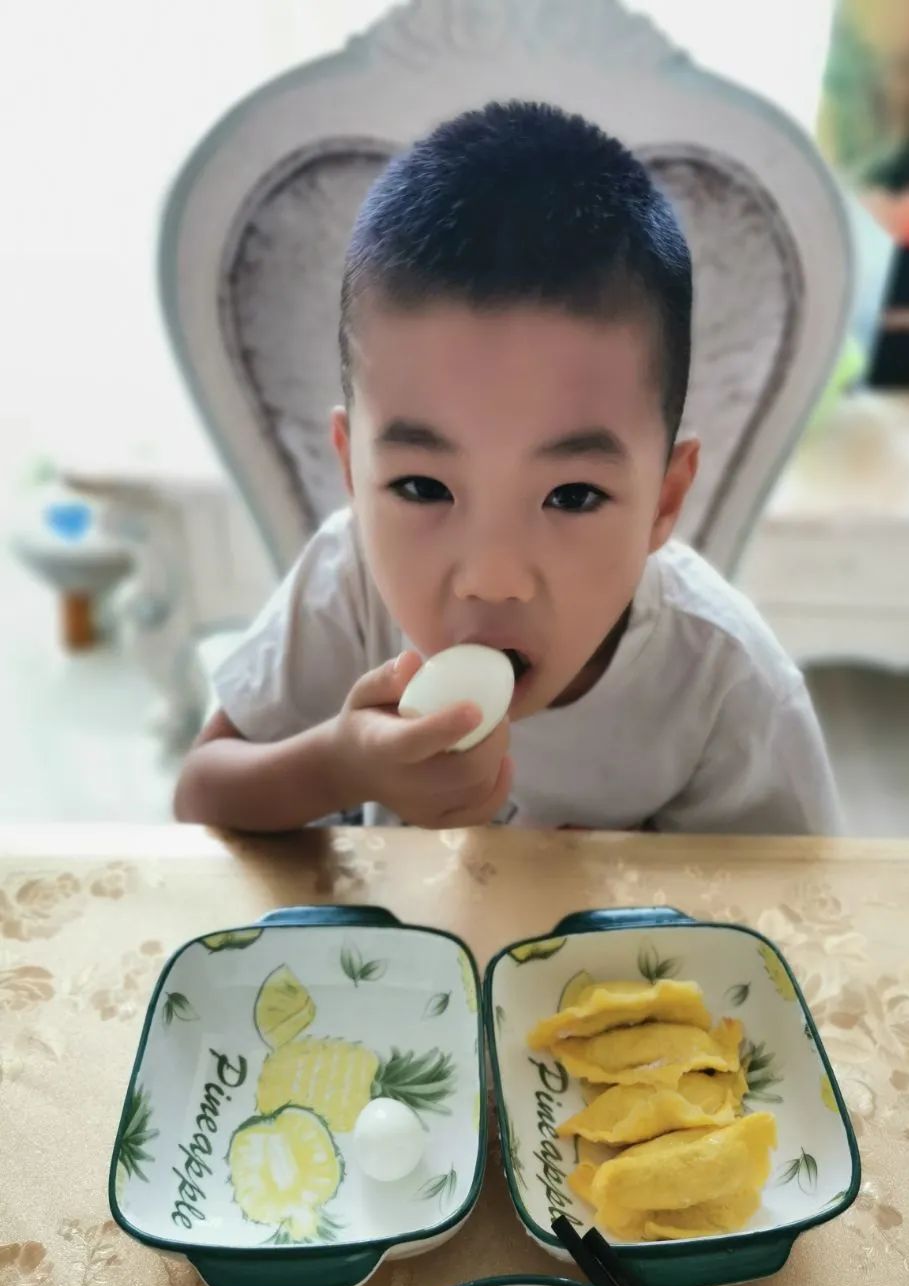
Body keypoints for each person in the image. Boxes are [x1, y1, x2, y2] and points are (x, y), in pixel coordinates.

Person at [174, 100, 839, 835]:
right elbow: (199, 796)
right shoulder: (346, 587)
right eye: (423, 487)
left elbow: (792, 896)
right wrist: (338, 766)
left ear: (664, 499)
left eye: (573, 495)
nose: (492, 578)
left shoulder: (724, 683)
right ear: (353, 476)